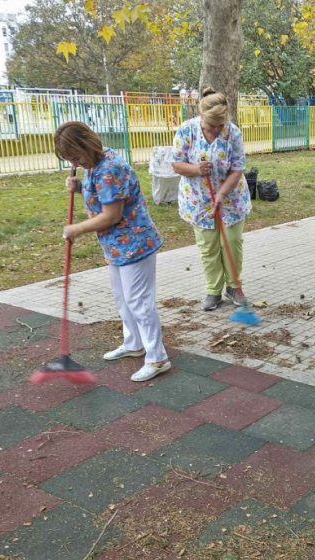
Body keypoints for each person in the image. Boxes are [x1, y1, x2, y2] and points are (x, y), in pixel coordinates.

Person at [54, 121, 171, 382]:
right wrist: (81, 187)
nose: (75, 162)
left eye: (75, 156)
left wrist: (76, 229)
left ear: (87, 144)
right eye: (69, 159)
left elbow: (111, 215)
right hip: (117, 246)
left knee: (139, 302)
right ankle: (134, 344)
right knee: (123, 298)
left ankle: (158, 357)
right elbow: (108, 194)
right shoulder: (96, 163)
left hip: (135, 244)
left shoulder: (109, 168)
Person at [171, 86, 252, 311]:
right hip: (198, 200)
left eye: (220, 126)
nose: (217, 130)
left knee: (232, 242)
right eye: (212, 126)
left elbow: (237, 168)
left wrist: (222, 194)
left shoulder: (232, 132)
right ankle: (213, 290)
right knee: (208, 246)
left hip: (231, 198)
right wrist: (196, 169)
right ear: (202, 117)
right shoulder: (186, 131)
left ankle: (234, 287)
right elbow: (176, 164)